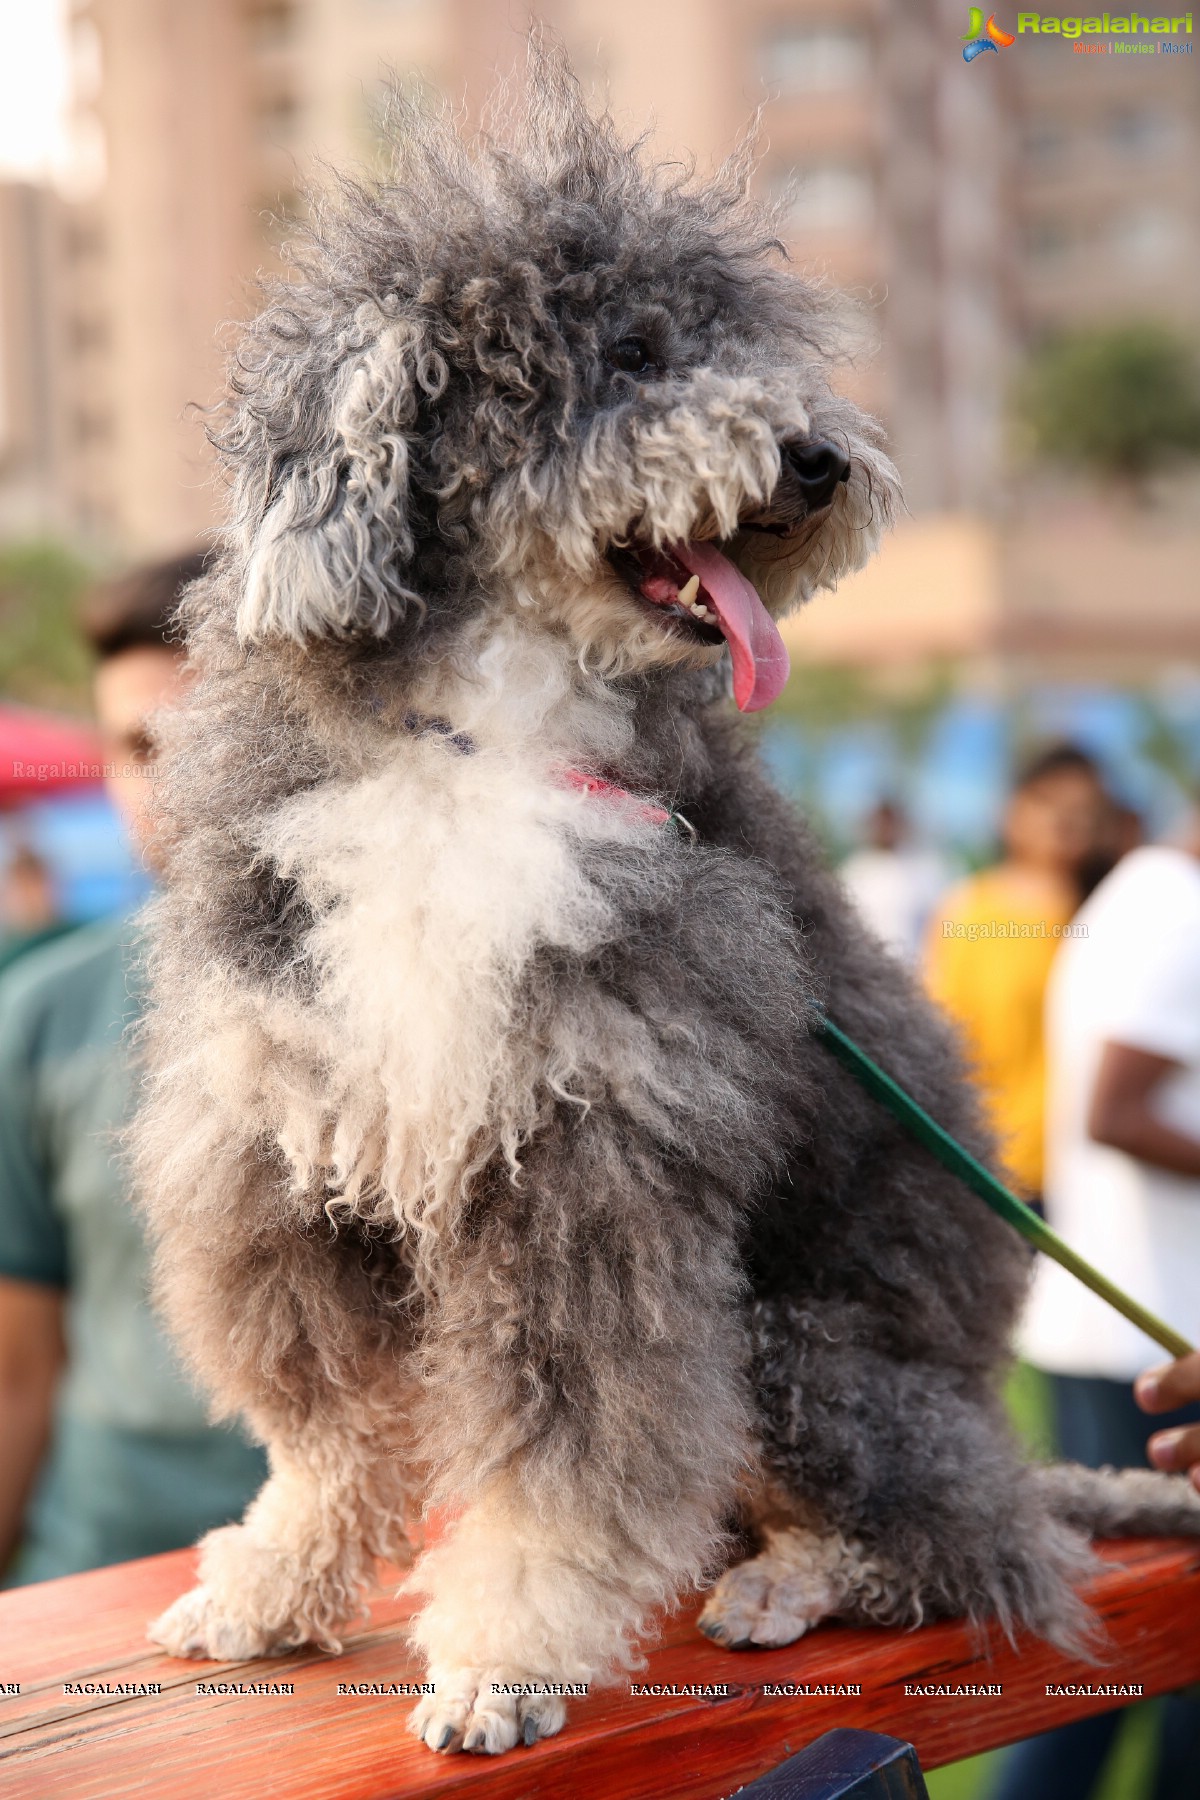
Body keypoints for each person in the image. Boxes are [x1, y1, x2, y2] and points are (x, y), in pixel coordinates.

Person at [0, 553, 267, 1586]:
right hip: (102, 1579)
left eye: (215, 739)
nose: (176, 787)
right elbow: (17, 1373)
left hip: (387, 1603)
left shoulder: (451, 1008)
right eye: (139, 747)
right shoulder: (41, 1016)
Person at [995, 804, 1200, 1800]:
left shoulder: (1137, 894)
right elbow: (1119, 1109)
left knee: (1108, 1654)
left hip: (1118, 1326)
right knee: (1113, 1658)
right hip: (1156, 1342)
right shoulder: (1180, 909)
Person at [924, 743, 1111, 1200]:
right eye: (1049, 801)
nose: (1065, 820)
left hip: (1090, 1175)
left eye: (1082, 808)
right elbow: (942, 1038)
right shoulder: (972, 911)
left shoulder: (1105, 911)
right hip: (1000, 1167)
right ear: (1014, 809)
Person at [839, 797, 949, 963]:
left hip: (914, 970)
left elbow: (939, 922)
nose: (886, 829)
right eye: (881, 823)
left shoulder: (922, 869)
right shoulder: (855, 870)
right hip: (867, 970)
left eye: (890, 823)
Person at [0, 843, 67, 977]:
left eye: (35, 886)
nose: (29, 898)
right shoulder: (6, 957)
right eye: (21, 888)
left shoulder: (79, 939)